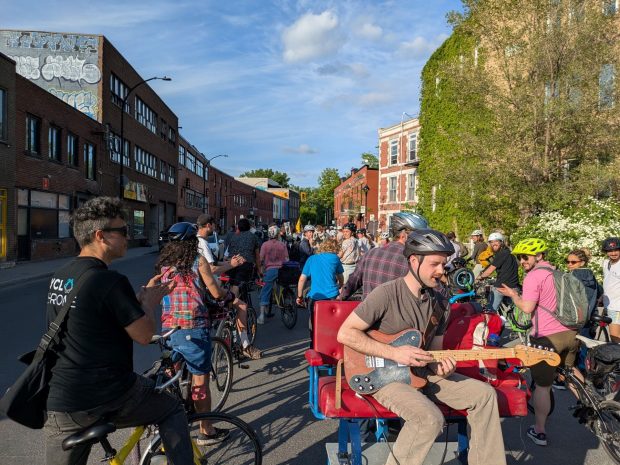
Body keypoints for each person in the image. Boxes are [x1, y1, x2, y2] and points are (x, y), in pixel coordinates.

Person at [43, 196, 193, 465]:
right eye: (123, 231)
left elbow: (90, 320)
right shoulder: (109, 281)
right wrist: (148, 304)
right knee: (171, 408)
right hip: (106, 393)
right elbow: (145, 336)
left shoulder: (61, 275)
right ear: (101, 236)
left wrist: (131, 305)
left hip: (62, 398)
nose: (128, 237)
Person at [337, 229, 506, 465]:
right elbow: (346, 333)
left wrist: (442, 367)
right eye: (435, 264)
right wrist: (395, 353)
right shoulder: (386, 294)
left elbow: (434, 352)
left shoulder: (440, 304)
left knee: (485, 395)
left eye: (444, 264)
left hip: (421, 371)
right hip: (384, 375)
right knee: (429, 419)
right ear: (414, 261)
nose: (441, 270)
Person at [498, 238, 583, 447]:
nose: (521, 261)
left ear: (539, 256)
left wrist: (514, 295)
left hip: (547, 337)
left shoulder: (533, 277)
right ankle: (592, 404)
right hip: (571, 334)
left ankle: (539, 430)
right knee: (569, 370)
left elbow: (527, 308)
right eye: (519, 257)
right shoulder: (559, 273)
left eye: (525, 257)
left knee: (543, 387)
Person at [157, 224, 232, 446]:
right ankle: (206, 430)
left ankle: (171, 420)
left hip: (169, 327)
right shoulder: (197, 262)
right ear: (193, 242)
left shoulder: (164, 264)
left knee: (172, 374)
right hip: (193, 326)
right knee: (200, 380)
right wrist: (227, 296)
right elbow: (215, 291)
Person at [195, 216, 261, 359]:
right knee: (241, 306)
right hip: (210, 289)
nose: (214, 228)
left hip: (207, 285)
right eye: (213, 225)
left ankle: (227, 323)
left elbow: (214, 263)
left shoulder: (197, 243)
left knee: (232, 289)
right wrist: (232, 264)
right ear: (208, 225)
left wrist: (230, 263)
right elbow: (211, 269)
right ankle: (245, 346)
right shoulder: (203, 243)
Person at [339, 211, 428, 301]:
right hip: (398, 314)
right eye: (418, 236)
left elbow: (351, 284)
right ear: (403, 236)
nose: (420, 241)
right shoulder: (413, 261)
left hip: (367, 313)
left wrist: (340, 298)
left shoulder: (370, 254)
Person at [297, 239, 344, 345]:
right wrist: (340, 286)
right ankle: (331, 348)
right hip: (332, 296)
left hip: (315, 298)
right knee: (333, 325)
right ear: (335, 248)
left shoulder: (311, 259)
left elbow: (302, 279)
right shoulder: (335, 258)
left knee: (314, 325)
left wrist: (299, 296)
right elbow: (340, 277)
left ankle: (315, 347)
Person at [476, 232, 519, 312]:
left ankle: (492, 320)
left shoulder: (502, 254)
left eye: (496, 241)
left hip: (502, 287)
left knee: (490, 311)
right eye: (491, 242)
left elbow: (489, 271)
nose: (493, 243)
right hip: (514, 285)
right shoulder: (509, 253)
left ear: (501, 242)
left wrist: (480, 277)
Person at [259, 225, 290, 323]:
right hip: (282, 269)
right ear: (277, 235)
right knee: (283, 286)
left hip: (270, 270)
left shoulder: (265, 245)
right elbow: (287, 259)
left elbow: (260, 259)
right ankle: (284, 302)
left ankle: (261, 316)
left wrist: (261, 269)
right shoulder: (282, 245)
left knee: (265, 291)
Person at [566, 248, 602, 325]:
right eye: (567, 262)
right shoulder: (590, 275)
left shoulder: (574, 275)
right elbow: (600, 291)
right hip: (590, 317)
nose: (569, 264)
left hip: (575, 319)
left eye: (573, 262)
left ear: (582, 263)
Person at [226, 218, 261, 295]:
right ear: (249, 227)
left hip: (231, 264)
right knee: (237, 284)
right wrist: (259, 270)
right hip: (245, 264)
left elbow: (229, 252)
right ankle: (232, 302)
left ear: (238, 227)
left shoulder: (234, 237)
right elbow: (257, 257)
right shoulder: (254, 237)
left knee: (230, 282)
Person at [602, 237, 620, 342]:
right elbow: (608, 281)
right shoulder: (606, 263)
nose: (613, 253)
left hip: (617, 307)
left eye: (616, 250)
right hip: (608, 304)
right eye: (610, 251)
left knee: (615, 337)